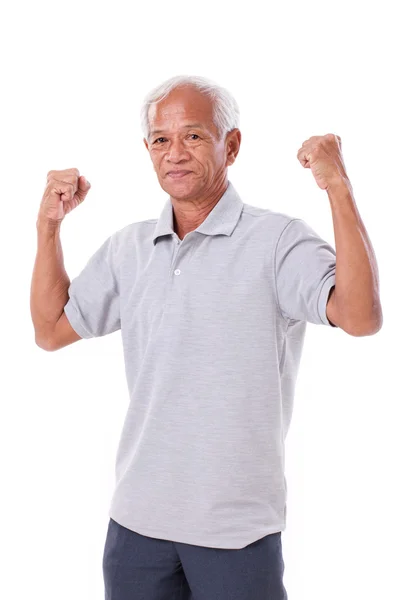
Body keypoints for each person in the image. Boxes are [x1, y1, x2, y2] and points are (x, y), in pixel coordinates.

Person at [30, 74, 383, 600]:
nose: (174, 153)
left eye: (193, 136)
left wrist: (338, 186)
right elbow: (51, 330)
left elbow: (360, 315)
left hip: (235, 533)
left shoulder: (276, 240)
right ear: (147, 150)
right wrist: (48, 228)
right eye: (160, 140)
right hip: (135, 526)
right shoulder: (129, 248)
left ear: (231, 145)